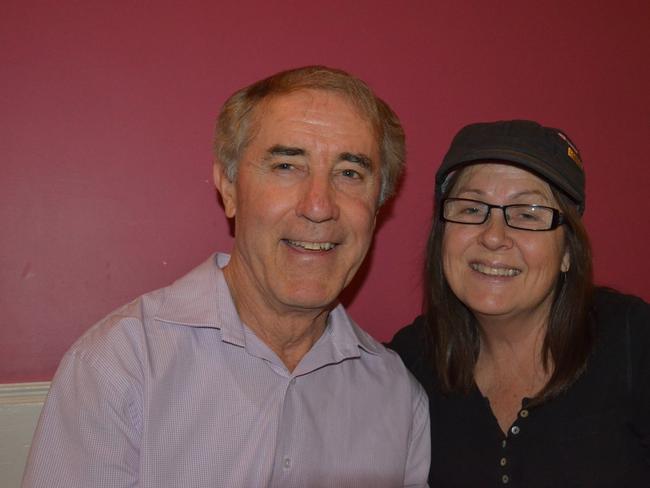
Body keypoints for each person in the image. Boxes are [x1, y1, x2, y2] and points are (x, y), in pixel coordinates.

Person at [23, 66, 430, 488]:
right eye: (287, 166)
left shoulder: (397, 397)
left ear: (378, 207)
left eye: (350, 173)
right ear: (229, 188)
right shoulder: (120, 367)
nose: (318, 205)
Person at [389, 120, 650, 487]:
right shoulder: (410, 363)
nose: (494, 236)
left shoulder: (632, 341)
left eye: (527, 214)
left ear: (567, 253)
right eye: (470, 208)